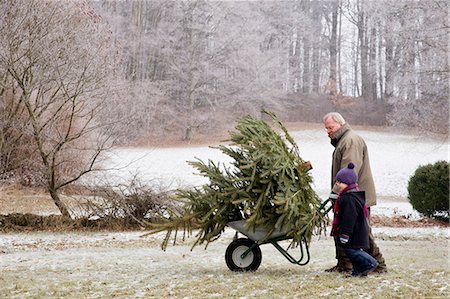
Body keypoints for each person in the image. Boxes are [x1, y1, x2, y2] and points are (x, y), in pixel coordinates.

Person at [323, 112, 387, 273]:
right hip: (348, 196)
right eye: (326, 128)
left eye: (330, 127)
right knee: (341, 229)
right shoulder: (343, 140)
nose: (328, 131)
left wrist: (335, 192)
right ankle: (345, 265)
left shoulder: (350, 141)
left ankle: (378, 265)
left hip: (356, 197)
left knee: (362, 232)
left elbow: (348, 172)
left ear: (340, 124)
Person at [331, 162, 378, 277]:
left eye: (340, 182)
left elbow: (349, 218)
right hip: (356, 231)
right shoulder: (350, 195)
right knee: (352, 250)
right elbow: (341, 200)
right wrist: (335, 197)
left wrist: (344, 234)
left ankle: (370, 263)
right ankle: (358, 272)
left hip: (354, 232)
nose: (337, 184)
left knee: (352, 251)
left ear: (347, 183)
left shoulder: (350, 200)